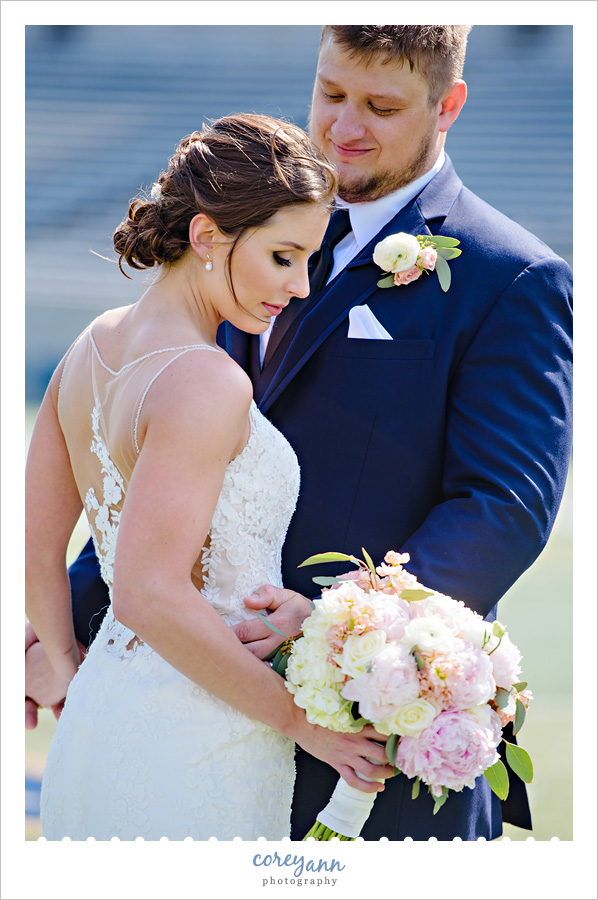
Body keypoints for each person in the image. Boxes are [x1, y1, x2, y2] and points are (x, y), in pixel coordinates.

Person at [27, 25, 573, 841]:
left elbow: (505, 505)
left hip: (363, 724)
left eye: (380, 106)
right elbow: (154, 485)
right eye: (331, 93)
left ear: (447, 104)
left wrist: (336, 620)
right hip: (180, 700)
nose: (344, 126)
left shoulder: (511, 278)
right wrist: (65, 633)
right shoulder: (236, 240)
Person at [25, 113, 394, 841]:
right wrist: (298, 721)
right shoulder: (207, 380)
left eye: (309, 261)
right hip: (200, 738)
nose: (298, 285)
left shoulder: (90, 346)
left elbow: (35, 550)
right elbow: (145, 589)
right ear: (206, 237)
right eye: (283, 256)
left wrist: (66, 664)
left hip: (99, 721)